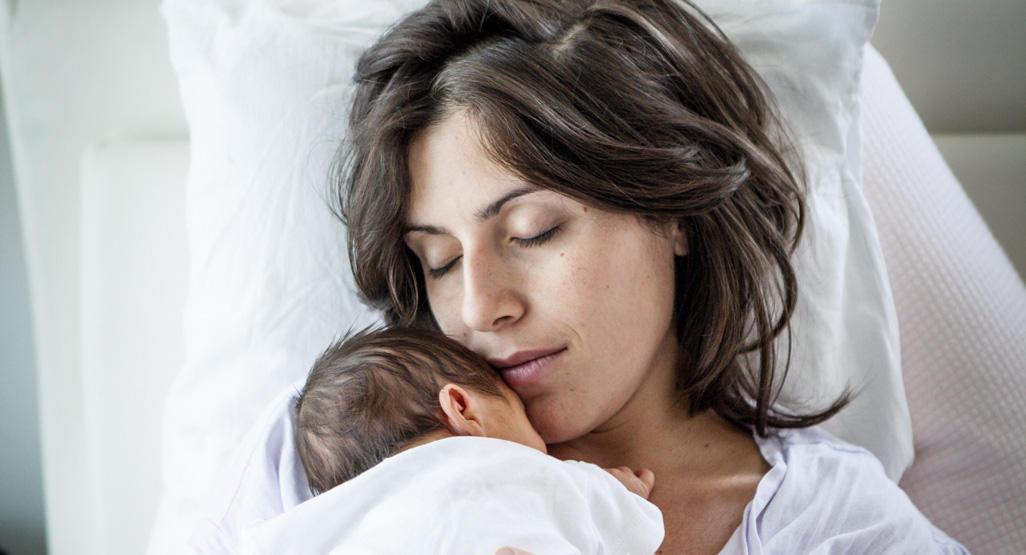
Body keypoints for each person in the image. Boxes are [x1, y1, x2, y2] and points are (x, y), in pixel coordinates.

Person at [338, 0, 968, 552]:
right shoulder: (342, 450)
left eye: (533, 230)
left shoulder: (836, 525)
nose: (478, 308)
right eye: (440, 261)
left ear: (676, 214)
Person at [274, 326, 662, 552]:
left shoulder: (341, 533)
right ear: (462, 408)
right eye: (520, 410)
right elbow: (625, 527)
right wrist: (619, 488)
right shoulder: (501, 469)